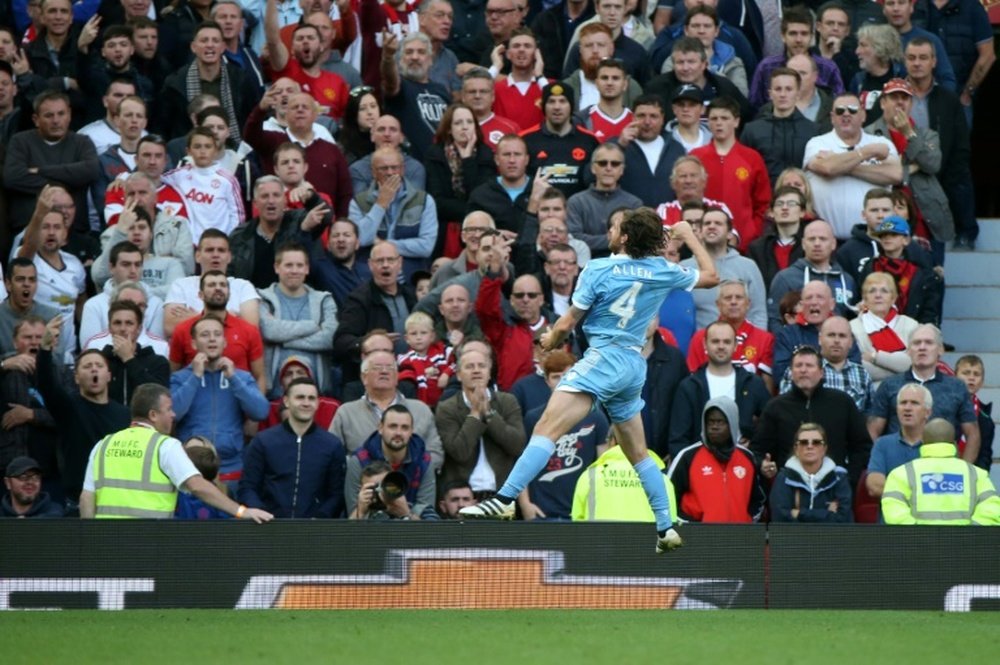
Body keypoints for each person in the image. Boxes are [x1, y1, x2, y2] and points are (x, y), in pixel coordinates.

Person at [461, 209, 718, 555]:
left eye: (613, 227)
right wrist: (687, 234)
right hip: (632, 364)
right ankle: (665, 524)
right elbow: (711, 276)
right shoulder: (662, 270)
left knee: (546, 428)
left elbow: (567, 322)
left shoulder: (598, 269)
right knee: (638, 453)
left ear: (625, 237)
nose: (608, 230)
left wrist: (551, 341)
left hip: (603, 358)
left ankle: (505, 498)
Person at [79, 383, 272, 522]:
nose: (173, 414)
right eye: (169, 409)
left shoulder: (103, 445)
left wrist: (90, 540)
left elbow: (87, 497)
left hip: (106, 547)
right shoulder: (165, 446)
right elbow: (197, 486)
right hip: (148, 546)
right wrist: (240, 512)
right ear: (153, 415)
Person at [752, 344, 871, 489]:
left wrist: (848, 479)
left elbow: (862, 446)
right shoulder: (775, 407)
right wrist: (763, 464)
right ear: (791, 372)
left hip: (834, 488)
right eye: (798, 366)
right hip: (789, 489)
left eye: (809, 365)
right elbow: (758, 451)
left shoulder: (842, 402)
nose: (803, 370)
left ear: (821, 372)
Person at [171, 316, 271, 484]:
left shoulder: (241, 377)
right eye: (205, 334)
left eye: (217, 334)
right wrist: (195, 377)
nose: (212, 339)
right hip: (190, 467)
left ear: (224, 342)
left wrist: (233, 378)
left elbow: (261, 412)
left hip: (232, 468)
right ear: (194, 344)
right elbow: (174, 413)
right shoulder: (180, 378)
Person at [867, 324, 980, 463]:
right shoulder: (889, 385)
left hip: (943, 468)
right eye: (916, 343)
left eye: (929, 342)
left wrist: (964, 470)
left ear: (941, 350)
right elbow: (872, 430)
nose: (922, 347)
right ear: (908, 350)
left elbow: (973, 433)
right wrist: (879, 463)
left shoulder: (957, 387)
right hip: (897, 468)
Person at [239, 378, 347, 518]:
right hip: (268, 526)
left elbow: (336, 494)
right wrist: (260, 512)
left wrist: (321, 517)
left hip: (314, 530)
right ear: (286, 401)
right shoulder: (263, 441)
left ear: (317, 403)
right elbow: (248, 486)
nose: (306, 403)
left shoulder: (332, 445)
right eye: (300, 397)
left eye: (311, 398)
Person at [802, 92, 902, 240]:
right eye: (840, 111)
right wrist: (867, 152)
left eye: (853, 110)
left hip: (874, 239)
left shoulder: (882, 142)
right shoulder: (816, 143)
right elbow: (827, 168)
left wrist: (841, 165)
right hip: (826, 242)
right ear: (832, 118)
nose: (846, 114)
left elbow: (895, 175)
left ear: (863, 116)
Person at [434, 346, 527, 499]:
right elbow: (459, 452)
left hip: (501, 494)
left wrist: (489, 413)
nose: (476, 370)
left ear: (489, 373)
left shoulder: (507, 401)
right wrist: (476, 414)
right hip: (463, 498)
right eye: (469, 367)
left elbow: (517, 446)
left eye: (481, 366)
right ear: (458, 375)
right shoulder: (447, 408)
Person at [668, 320, 770, 458]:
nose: (721, 346)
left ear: (735, 345)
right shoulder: (689, 387)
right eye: (715, 341)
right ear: (705, 344)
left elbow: (770, 427)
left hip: (742, 466)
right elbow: (678, 439)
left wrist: (753, 450)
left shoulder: (753, 383)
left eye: (727, 342)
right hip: (700, 467)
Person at [3, 91, 99, 236]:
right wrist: (69, 180)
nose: (56, 120)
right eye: (49, 115)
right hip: (28, 229)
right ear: (36, 119)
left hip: (74, 232)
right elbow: (12, 177)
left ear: (70, 115)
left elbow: (91, 170)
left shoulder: (82, 142)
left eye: (61, 114)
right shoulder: (20, 141)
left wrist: (41, 170)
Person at [329, 349, 444, 466]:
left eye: (390, 368)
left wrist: (406, 471)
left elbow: (435, 454)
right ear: (364, 377)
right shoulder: (346, 412)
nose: (384, 371)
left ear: (397, 376)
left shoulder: (420, 410)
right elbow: (333, 456)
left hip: (412, 481)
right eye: (377, 367)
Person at [882, 418, 1000, 526]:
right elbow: (991, 510)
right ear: (954, 443)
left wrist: (919, 539)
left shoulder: (900, 474)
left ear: (923, 442)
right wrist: (969, 538)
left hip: (917, 547)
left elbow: (895, 515)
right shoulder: (976, 474)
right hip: (968, 547)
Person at [690, 97, 770, 252]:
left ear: (736, 122)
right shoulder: (696, 157)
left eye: (725, 118)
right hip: (703, 241)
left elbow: (763, 203)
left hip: (743, 243)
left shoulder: (751, 158)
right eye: (714, 118)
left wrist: (750, 233)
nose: (719, 123)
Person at [258, 242, 338, 397]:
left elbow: (329, 338)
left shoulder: (324, 300)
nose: (294, 270)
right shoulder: (262, 298)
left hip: (316, 395)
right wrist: (312, 326)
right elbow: (269, 331)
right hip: (274, 394)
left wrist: (283, 340)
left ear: (307, 269)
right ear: (276, 267)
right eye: (288, 265)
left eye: (299, 265)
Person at [667, 396, 765, 523]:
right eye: (710, 422)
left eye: (720, 422)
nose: (714, 427)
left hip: (739, 537)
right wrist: (690, 527)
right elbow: (668, 498)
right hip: (699, 538)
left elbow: (758, 499)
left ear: (732, 423)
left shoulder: (747, 457)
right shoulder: (687, 457)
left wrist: (747, 521)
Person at [349, 146, 439, 278]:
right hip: (370, 276)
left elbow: (426, 246)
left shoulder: (424, 200)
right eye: (384, 168)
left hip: (412, 274)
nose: (390, 172)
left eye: (394, 167)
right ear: (373, 172)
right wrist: (380, 204)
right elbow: (360, 239)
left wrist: (384, 245)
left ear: (402, 170)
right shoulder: (358, 202)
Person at [168, 271, 266, 393]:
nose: (218, 288)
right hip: (196, 406)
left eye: (223, 285)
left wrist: (256, 409)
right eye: (211, 285)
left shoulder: (248, 330)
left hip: (239, 406)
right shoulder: (183, 330)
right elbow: (173, 375)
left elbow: (260, 376)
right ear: (200, 295)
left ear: (229, 294)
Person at [424, 103, 497, 258]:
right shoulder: (435, 154)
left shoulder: (486, 154)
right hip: (443, 229)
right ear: (449, 129)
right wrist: (471, 211)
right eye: (458, 123)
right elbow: (437, 201)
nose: (465, 127)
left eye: (469, 122)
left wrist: (467, 159)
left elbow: (480, 198)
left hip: (479, 229)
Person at [680, 206, 767, 330]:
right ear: (699, 232)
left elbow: (758, 313)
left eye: (718, 223)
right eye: (707, 223)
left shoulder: (748, 266)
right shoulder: (685, 268)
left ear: (730, 234)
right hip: (699, 344)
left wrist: (757, 346)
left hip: (741, 343)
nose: (711, 226)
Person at [345, 403, 437, 519]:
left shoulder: (424, 462)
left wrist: (405, 513)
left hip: (409, 528)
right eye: (393, 426)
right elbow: (350, 520)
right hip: (370, 527)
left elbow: (429, 519)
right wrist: (362, 508)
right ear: (380, 428)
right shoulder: (359, 460)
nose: (398, 433)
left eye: (405, 427)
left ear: (411, 431)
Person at [766, 220, 856, 333]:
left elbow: (853, 319)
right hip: (799, 347)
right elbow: (774, 320)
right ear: (803, 244)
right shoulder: (786, 278)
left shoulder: (847, 280)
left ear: (833, 244)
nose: (817, 243)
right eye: (812, 239)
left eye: (823, 239)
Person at [161, 127, 245, 242]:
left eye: (207, 146)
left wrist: (228, 241)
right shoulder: (178, 175)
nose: (202, 151)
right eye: (197, 146)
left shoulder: (228, 180)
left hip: (217, 245)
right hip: (187, 245)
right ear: (188, 151)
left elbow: (237, 217)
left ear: (215, 150)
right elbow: (154, 182)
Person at [380, 31, 451, 162]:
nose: (414, 57)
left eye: (421, 52)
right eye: (409, 52)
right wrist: (388, 58)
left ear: (430, 60)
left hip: (441, 166)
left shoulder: (441, 90)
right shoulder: (401, 87)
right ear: (400, 59)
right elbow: (390, 81)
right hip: (410, 166)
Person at [571, 432, 674, 522]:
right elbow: (671, 523)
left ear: (613, 441)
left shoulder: (590, 476)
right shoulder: (661, 479)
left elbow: (576, 521)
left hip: (599, 543)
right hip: (647, 544)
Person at [521, 82, 600, 199]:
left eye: (562, 101)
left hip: (578, 212)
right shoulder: (525, 139)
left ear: (571, 106)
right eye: (551, 101)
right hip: (539, 210)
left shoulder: (589, 140)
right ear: (543, 106)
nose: (557, 107)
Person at [741, 67, 818, 186]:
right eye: (778, 89)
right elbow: (743, 169)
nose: (783, 94)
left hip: (801, 200)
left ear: (798, 93)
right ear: (770, 94)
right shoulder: (752, 130)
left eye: (788, 89)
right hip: (763, 201)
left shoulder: (813, 131)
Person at [566, 142, 641, 258]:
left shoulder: (634, 204)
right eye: (602, 163)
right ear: (593, 168)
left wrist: (595, 240)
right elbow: (575, 239)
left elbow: (636, 240)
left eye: (615, 164)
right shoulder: (576, 202)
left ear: (622, 170)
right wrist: (616, 238)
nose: (608, 168)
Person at [769, 422, 853, 523]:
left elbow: (843, 520)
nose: (810, 446)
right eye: (804, 442)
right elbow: (780, 519)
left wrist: (798, 513)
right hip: (793, 538)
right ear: (796, 449)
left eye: (816, 442)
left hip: (831, 538)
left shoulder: (839, 478)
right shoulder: (784, 478)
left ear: (824, 449)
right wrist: (826, 514)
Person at [93, 300, 170, 406]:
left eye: (129, 323)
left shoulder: (158, 362)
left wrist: (129, 359)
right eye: (117, 323)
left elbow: (157, 399)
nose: (123, 329)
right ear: (110, 328)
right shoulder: (98, 362)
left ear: (138, 329)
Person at [614, 95, 686, 208]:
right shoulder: (616, 144)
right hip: (629, 218)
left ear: (662, 119)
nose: (647, 122)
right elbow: (590, 177)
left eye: (653, 116)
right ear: (632, 118)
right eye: (641, 116)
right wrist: (620, 147)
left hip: (667, 219)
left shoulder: (676, 149)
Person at [850, 272, 920, 385]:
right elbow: (860, 369)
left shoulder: (911, 325)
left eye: (884, 291)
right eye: (872, 291)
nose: (878, 295)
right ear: (865, 298)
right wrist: (899, 365)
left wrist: (875, 357)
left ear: (893, 298)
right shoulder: (852, 327)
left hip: (908, 389)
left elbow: (915, 365)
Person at [865, 382, 930, 500]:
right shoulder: (882, 444)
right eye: (903, 403)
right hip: (893, 517)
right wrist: (918, 495)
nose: (907, 408)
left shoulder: (939, 446)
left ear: (927, 412)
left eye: (914, 403)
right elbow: (874, 486)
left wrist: (895, 490)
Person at [748, 186, 806, 290]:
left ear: (802, 212)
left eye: (791, 204)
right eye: (779, 204)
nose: (784, 207)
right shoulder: (757, 248)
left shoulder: (810, 245)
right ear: (771, 212)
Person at [954, 355, 994, 471]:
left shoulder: (985, 418)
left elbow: (985, 456)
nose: (971, 378)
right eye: (966, 373)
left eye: (976, 374)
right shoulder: (944, 408)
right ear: (954, 377)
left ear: (982, 382)